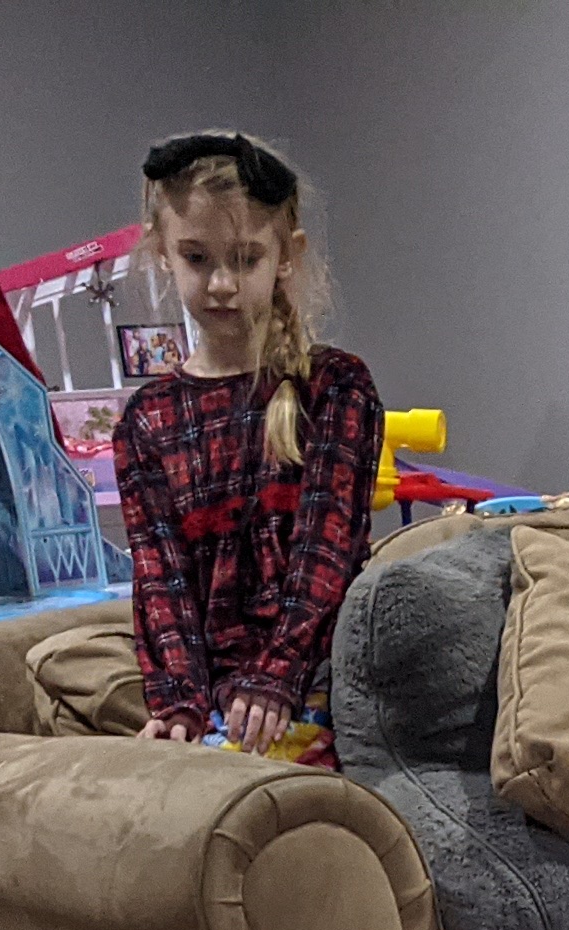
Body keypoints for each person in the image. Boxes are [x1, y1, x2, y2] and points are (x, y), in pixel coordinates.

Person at [112, 131, 381, 756]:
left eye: (245, 259)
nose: (221, 284)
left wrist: (275, 675)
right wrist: (177, 703)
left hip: (319, 677)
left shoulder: (335, 387)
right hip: (213, 700)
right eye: (197, 258)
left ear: (287, 255)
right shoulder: (147, 419)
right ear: (163, 255)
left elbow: (327, 553)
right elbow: (160, 579)